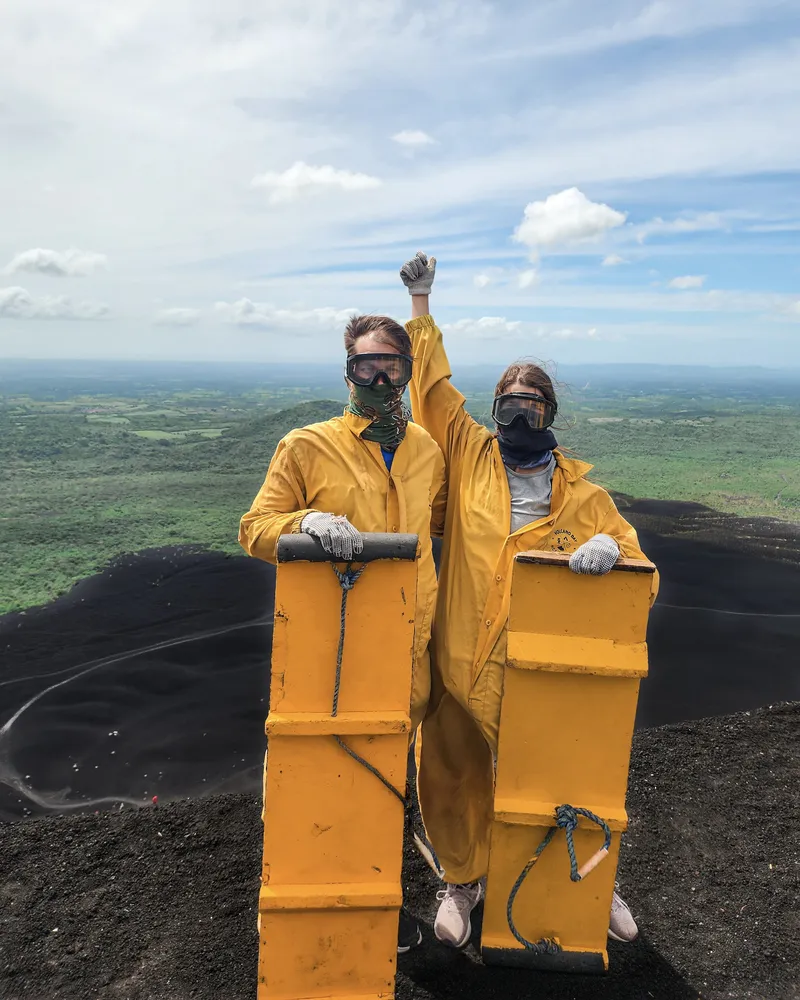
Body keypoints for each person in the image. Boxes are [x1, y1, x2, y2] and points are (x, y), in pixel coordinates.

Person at [399, 251, 659, 950]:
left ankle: (585, 883)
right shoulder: (469, 453)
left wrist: (614, 552)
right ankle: (462, 880)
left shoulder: (585, 495)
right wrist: (422, 304)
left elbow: (640, 567)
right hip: (458, 660)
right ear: (494, 412)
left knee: (560, 778)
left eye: (531, 405)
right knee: (451, 775)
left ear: (549, 411)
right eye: (508, 405)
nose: (518, 415)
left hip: (541, 669)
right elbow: (433, 391)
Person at [239, 313, 447, 954]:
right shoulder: (306, 445)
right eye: (367, 365)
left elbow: (441, 531)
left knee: (387, 779)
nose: (381, 377)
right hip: (334, 651)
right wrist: (308, 521)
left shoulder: (426, 451)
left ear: (409, 373)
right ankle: (316, 908)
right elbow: (254, 529)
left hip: (410, 645)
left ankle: (376, 899)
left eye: (393, 365)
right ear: (347, 370)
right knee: (326, 771)